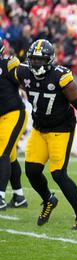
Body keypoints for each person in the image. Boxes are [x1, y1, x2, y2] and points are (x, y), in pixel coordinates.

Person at [14, 39, 77, 230]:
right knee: (32, 171)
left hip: (61, 129)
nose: (35, 64)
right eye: (33, 59)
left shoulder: (61, 76)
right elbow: (8, 74)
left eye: (40, 60)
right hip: (40, 129)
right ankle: (49, 199)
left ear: (49, 60)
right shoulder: (22, 72)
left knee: (58, 174)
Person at [0, 37, 28, 210]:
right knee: (9, 157)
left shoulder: (8, 64)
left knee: (2, 153)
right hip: (2, 117)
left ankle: (0, 196)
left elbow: (26, 82)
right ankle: (19, 196)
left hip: (14, 113)